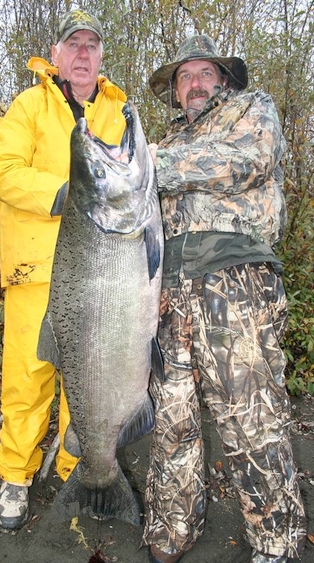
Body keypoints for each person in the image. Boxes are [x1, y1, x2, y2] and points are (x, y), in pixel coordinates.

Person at [142, 34, 306, 563]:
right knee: (172, 421)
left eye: (204, 73)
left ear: (225, 80)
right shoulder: (160, 141)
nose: (193, 84)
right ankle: (171, 530)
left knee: (250, 418)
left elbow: (250, 160)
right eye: (184, 77)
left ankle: (276, 544)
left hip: (235, 282)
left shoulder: (251, 111)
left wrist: (149, 170)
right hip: (167, 294)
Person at [0, 9, 128, 530]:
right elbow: (1, 171)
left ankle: (78, 470)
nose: (84, 55)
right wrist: (59, 194)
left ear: (101, 57)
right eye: (74, 46)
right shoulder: (28, 105)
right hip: (37, 272)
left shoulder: (119, 111)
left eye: (92, 45)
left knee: (89, 381)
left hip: (100, 273)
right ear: (56, 57)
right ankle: (17, 476)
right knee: (28, 378)